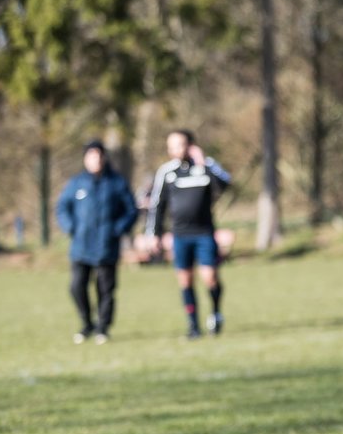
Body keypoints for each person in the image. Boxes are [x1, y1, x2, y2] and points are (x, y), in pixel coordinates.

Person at [144, 130, 232, 339]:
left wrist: (204, 164)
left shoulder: (207, 166)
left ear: (191, 145)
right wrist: (154, 234)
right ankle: (193, 326)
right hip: (180, 235)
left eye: (180, 144)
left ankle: (216, 313)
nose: (176, 150)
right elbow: (158, 205)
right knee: (185, 280)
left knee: (209, 278)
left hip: (204, 233)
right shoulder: (166, 171)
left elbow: (225, 185)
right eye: (172, 146)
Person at [55, 140, 139, 345]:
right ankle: (86, 323)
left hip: (106, 246)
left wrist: (118, 229)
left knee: (105, 290)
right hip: (81, 245)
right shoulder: (76, 184)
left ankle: (103, 327)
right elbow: (62, 208)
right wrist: (71, 227)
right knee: (76, 287)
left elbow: (131, 210)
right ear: (85, 159)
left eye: (99, 155)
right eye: (91, 156)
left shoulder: (117, 183)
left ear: (105, 157)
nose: (96, 160)